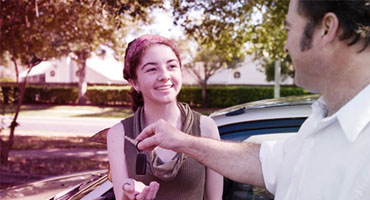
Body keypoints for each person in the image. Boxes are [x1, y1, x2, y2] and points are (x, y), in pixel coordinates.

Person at [136, 1, 370, 199]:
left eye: (289, 30)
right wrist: (181, 141)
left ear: (326, 29)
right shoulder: (321, 120)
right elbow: (266, 163)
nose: (286, 47)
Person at [106, 34, 223, 200]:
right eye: (152, 69)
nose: (165, 76)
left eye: (172, 66)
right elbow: (121, 197)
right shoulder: (119, 134)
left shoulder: (206, 127)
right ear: (134, 82)